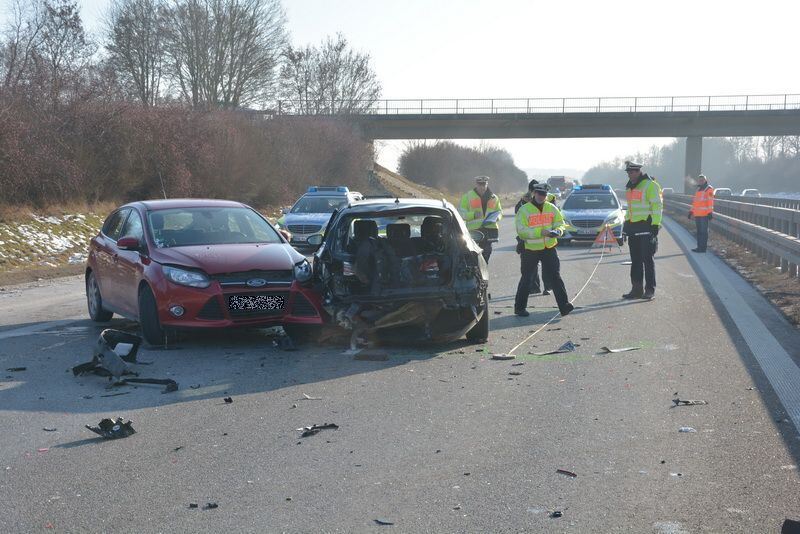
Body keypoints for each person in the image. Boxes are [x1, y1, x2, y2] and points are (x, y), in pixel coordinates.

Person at [514, 183, 574, 317]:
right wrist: (541, 232)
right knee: (527, 278)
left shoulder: (551, 208)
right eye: (539, 194)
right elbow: (521, 231)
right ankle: (519, 308)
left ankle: (564, 306)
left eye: (544, 195)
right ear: (534, 193)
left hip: (549, 248)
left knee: (555, 277)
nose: (541, 197)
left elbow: (560, 223)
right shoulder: (524, 210)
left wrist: (558, 230)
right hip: (531, 249)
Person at [621, 161, 663, 300]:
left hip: (647, 227)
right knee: (636, 260)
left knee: (647, 260)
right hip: (633, 228)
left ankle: (649, 290)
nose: (630, 175)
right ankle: (636, 290)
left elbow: (657, 205)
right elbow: (631, 209)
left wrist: (655, 225)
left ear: (638, 171)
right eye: (628, 173)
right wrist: (625, 226)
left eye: (632, 172)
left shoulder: (650, 185)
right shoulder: (629, 188)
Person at [515, 180, 557, 295]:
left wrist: (554, 231)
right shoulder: (523, 202)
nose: (539, 195)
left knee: (548, 267)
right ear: (532, 191)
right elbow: (518, 218)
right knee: (529, 270)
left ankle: (547, 287)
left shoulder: (550, 200)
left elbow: (555, 216)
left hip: (547, 240)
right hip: (529, 240)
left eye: (542, 193)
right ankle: (534, 286)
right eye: (535, 192)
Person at [459, 176, 502, 262]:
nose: (482, 187)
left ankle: (482, 271)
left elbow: (499, 211)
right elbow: (461, 214)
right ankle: (475, 271)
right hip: (474, 230)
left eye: (484, 184)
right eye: (480, 184)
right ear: (476, 184)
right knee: (473, 254)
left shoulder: (494, 197)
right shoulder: (467, 197)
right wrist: (473, 215)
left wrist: (497, 217)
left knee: (487, 252)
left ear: (487, 184)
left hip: (489, 229)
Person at [687, 174, 714, 253]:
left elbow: (710, 201)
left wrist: (709, 212)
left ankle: (703, 248)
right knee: (699, 232)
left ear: (705, 180)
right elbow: (695, 203)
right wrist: (691, 211)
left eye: (702, 180)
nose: (701, 181)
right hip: (697, 214)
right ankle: (699, 247)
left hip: (704, 215)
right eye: (699, 180)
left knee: (703, 232)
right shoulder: (698, 190)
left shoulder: (709, 189)